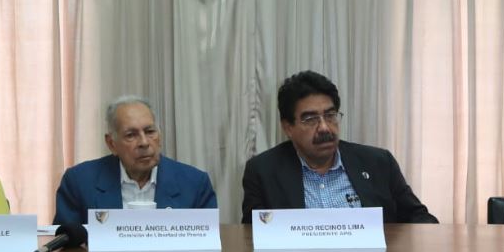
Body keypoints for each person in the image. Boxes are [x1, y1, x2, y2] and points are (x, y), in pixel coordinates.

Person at [241, 71, 436, 223]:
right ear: (288, 127)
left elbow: (420, 220)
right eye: (310, 119)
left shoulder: (378, 163)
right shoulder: (263, 172)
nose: (324, 127)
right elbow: (251, 240)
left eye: (330, 115)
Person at [53, 95, 217, 225]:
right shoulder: (79, 182)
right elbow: (65, 250)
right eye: (131, 135)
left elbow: (208, 249)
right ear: (112, 144)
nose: (144, 142)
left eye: (150, 131)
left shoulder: (195, 184)